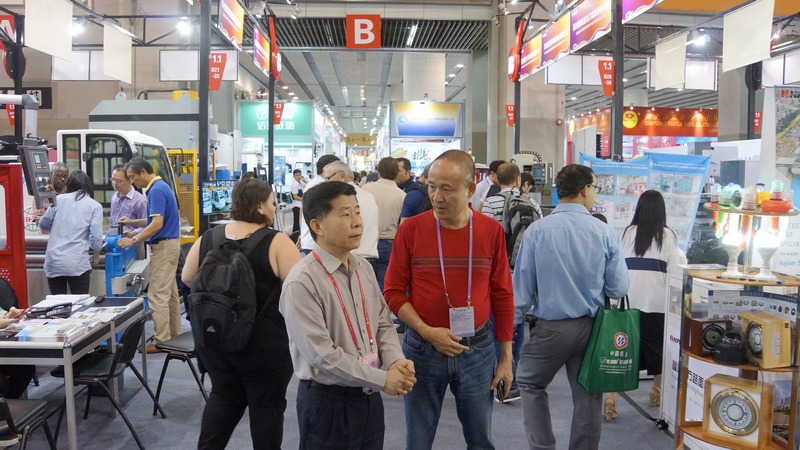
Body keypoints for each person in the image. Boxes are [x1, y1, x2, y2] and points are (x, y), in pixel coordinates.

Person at [384, 150, 514, 450]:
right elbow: (392, 291)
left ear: (470, 189)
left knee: (480, 439)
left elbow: (503, 296)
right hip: (422, 348)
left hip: (477, 349)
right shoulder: (411, 230)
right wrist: (427, 330)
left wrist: (506, 359)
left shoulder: (490, 231)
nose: (436, 197)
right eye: (431, 187)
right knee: (418, 440)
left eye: (446, 189)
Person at [280, 181, 416, 449]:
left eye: (357, 212)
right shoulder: (302, 282)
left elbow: (383, 323)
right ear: (317, 226)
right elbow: (322, 355)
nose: (357, 222)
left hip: (367, 396)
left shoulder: (363, 267)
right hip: (327, 403)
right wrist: (382, 379)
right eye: (345, 214)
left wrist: (395, 361)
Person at [513, 164, 629, 450]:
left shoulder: (537, 231)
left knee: (529, 383)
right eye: (595, 189)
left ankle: (543, 446)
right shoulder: (605, 233)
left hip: (550, 329)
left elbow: (522, 291)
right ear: (583, 190)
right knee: (588, 393)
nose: (595, 195)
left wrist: (510, 330)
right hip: (592, 328)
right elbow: (618, 289)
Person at [182, 174, 301, 449]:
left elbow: (188, 278)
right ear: (259, 206)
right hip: (263, 345)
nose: (274, 208)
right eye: (272, 203)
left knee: (223, 397)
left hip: (215, 339)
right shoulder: (276, 241)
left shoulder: (208, 238)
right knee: (266, 408)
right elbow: (300, 291)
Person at [604, 190, 686, 421]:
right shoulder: (668, 236)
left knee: (620, 351)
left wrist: (613, 300)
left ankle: (611, 397)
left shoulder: (627, 233)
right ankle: (656, 391)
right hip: (657, 304)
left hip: (627, 302)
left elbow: (617, 268)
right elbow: (674, 274)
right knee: (657, 350)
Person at [478, 162, 541, 403]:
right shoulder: (532, 202)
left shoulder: (491, 202)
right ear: (518, 180)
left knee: (497, 321)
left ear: (497, 179)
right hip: (523, 272)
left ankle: (508, 377)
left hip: (498, 272)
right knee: (518, 319)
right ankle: (514, 371)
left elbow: (483, 237)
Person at [117, 157, 181, 353]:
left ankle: (161, 340)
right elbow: (153, 220)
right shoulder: (161, 187)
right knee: (170, 295)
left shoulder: (156, 191)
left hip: (163, 248)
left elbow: (157, 224)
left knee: (157, 295)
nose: (132, 182)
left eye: (132, 177)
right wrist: (133, 224)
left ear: (143, 172)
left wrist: (135, 240)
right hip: (169, 245)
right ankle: (174, 336)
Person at [38, 171, 103, 295]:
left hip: (54, 262)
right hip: (77, 263)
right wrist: (96, 256)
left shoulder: (58, 200)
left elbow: (43, 223)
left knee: (57, 304)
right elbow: (96, 236)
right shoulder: (94, 206)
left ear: (69, 185)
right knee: (80, 303)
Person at [322, 161, 379, 266]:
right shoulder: (368, 195)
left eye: (327, 179)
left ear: (342, 176)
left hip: (350, 259)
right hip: (370, 257)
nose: (325, 183)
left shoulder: (340, 199)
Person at [362, 157, 405, 291]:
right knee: (384, 283)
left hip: (366, 241)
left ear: (379, 171)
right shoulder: (402, 195)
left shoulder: (366, 189)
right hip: (389, 242)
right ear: (396, 173)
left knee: (365, 283)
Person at [299, 154, 341, 255]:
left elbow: (302, 210)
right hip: (316, 242)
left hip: (311, 240)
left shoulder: (313, 183)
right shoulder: (322, 185)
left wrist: (302, 233)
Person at [109, 165, 148, 259]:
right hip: (115, 243)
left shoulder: (140, 201)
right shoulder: (114, 197)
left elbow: (147, 225)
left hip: (133, 244)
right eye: (112, 180)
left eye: (118, 181)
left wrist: (133, 233)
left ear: (129, 180)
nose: (115, 183)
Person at [290, 169, 305, 234]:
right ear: (294, 176)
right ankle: (294, 236)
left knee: (300, 222)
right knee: (296, 222)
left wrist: (304, 179)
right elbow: (295, 197)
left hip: (301, 205)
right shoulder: (294, 185)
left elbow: (307, 184)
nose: (299, 176)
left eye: (300, 175)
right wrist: (304, 199)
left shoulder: (301, 182)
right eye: (297, 175)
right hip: (296, 206)